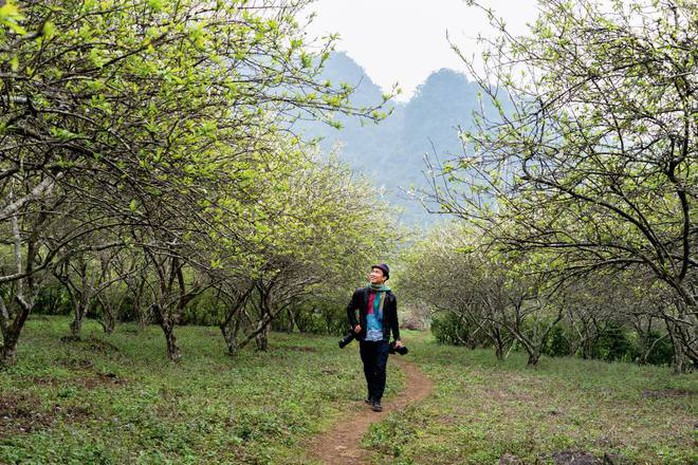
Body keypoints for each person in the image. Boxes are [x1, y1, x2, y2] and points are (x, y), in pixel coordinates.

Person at [346, 263, 403, 412]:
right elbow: (350, 309)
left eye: (377, 272)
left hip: (382, 337)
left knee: (380, 367)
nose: (373, 274)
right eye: (372, 271)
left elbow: (394, 319)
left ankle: (377, 399)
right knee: (368, 367)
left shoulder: (390, 296)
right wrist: (355, 324)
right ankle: (371, 394)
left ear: (384, 277)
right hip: (365, 337)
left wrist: (397, 338)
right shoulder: (361, 292)